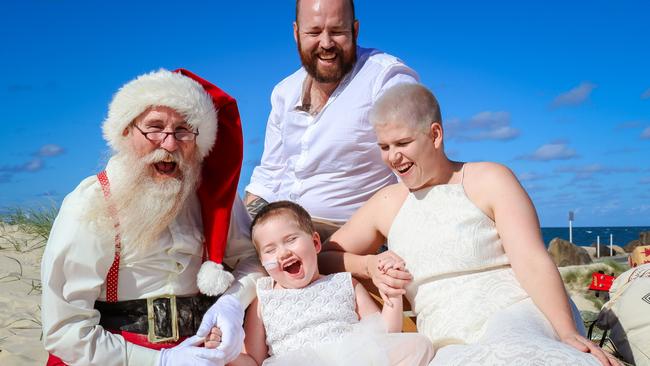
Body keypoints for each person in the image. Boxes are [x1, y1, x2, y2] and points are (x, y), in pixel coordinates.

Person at [320, 83, 621, 365]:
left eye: (403, 143)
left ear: (435, 135)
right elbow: (323, 257)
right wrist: (369, 265)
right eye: (384, 146)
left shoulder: (489, 179)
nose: (393, 157)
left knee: (514, 354)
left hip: (516, 314)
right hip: (446, 337)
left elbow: (530, 260)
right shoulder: (386, 203)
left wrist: (567, 332)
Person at [41, 69, 264, 366]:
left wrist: (232, 303)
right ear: (126, 131)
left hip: (201, 353)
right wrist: (161, 362)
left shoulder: (214, 199)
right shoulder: (90, 203)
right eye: (154, 128)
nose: (169, 144)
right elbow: (64, 330)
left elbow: (254, 259)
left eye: (183, 130)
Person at [244, 0, 419, 239]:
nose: (326, 44)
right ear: (296, 33)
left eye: (337, 31)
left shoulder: (386, 79)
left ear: (355, 30)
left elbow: (415, 173)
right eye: (314, 32)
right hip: (282, 230)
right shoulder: (284, 92)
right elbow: (269, 177)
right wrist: (242, 229)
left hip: (351, 234)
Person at [209, 201, 433, 365]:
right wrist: (225, 352)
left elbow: (384, 333)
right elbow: (254, 361)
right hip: (294, 361)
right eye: (270, 249)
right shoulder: (264, 298)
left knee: (418, 345)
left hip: (353, 358)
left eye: (291, 239)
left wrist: (392, 295)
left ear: (316, 243)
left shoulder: (344, 282)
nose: (283, 252)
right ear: (262, 263)